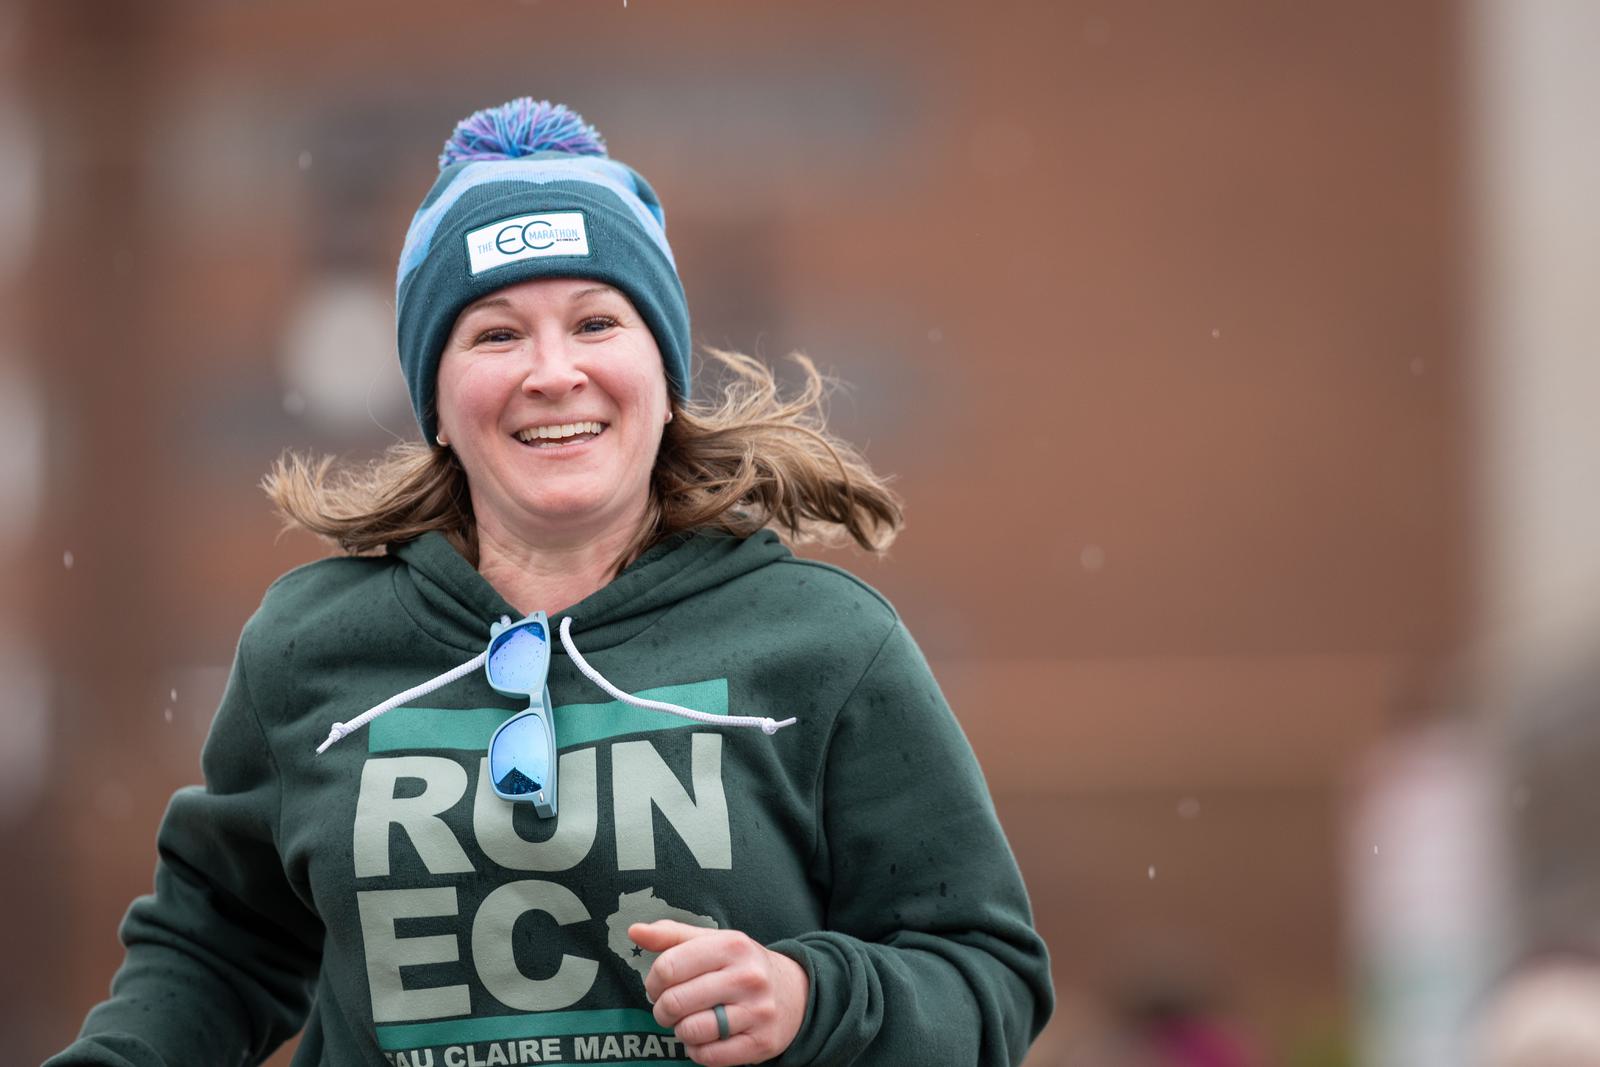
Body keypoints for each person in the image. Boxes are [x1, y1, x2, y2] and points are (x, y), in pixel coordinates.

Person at [46, 97, 1054, 1067]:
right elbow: (219, 948)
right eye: (494, 333)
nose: (552, 370)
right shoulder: (308, 645)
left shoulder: (828, 643)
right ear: (435, 397)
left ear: (664, 375)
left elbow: (987, 977)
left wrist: (808, 1000)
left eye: (595, 321)